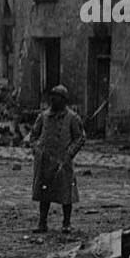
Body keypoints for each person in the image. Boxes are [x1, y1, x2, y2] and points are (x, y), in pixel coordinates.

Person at [28, 84, 85, 233]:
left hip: (63, 161)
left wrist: (69, 153)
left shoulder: (72, 118)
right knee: (43, 193)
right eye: (52, 97)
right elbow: (33, 135)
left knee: (66, 193)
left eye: (57, 97)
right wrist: (37, 149)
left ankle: (66, 223)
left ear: (64, 100)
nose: (53, 100)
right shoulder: (43, 116)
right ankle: (42, 223)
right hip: (45, 160)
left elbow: (80, 138)